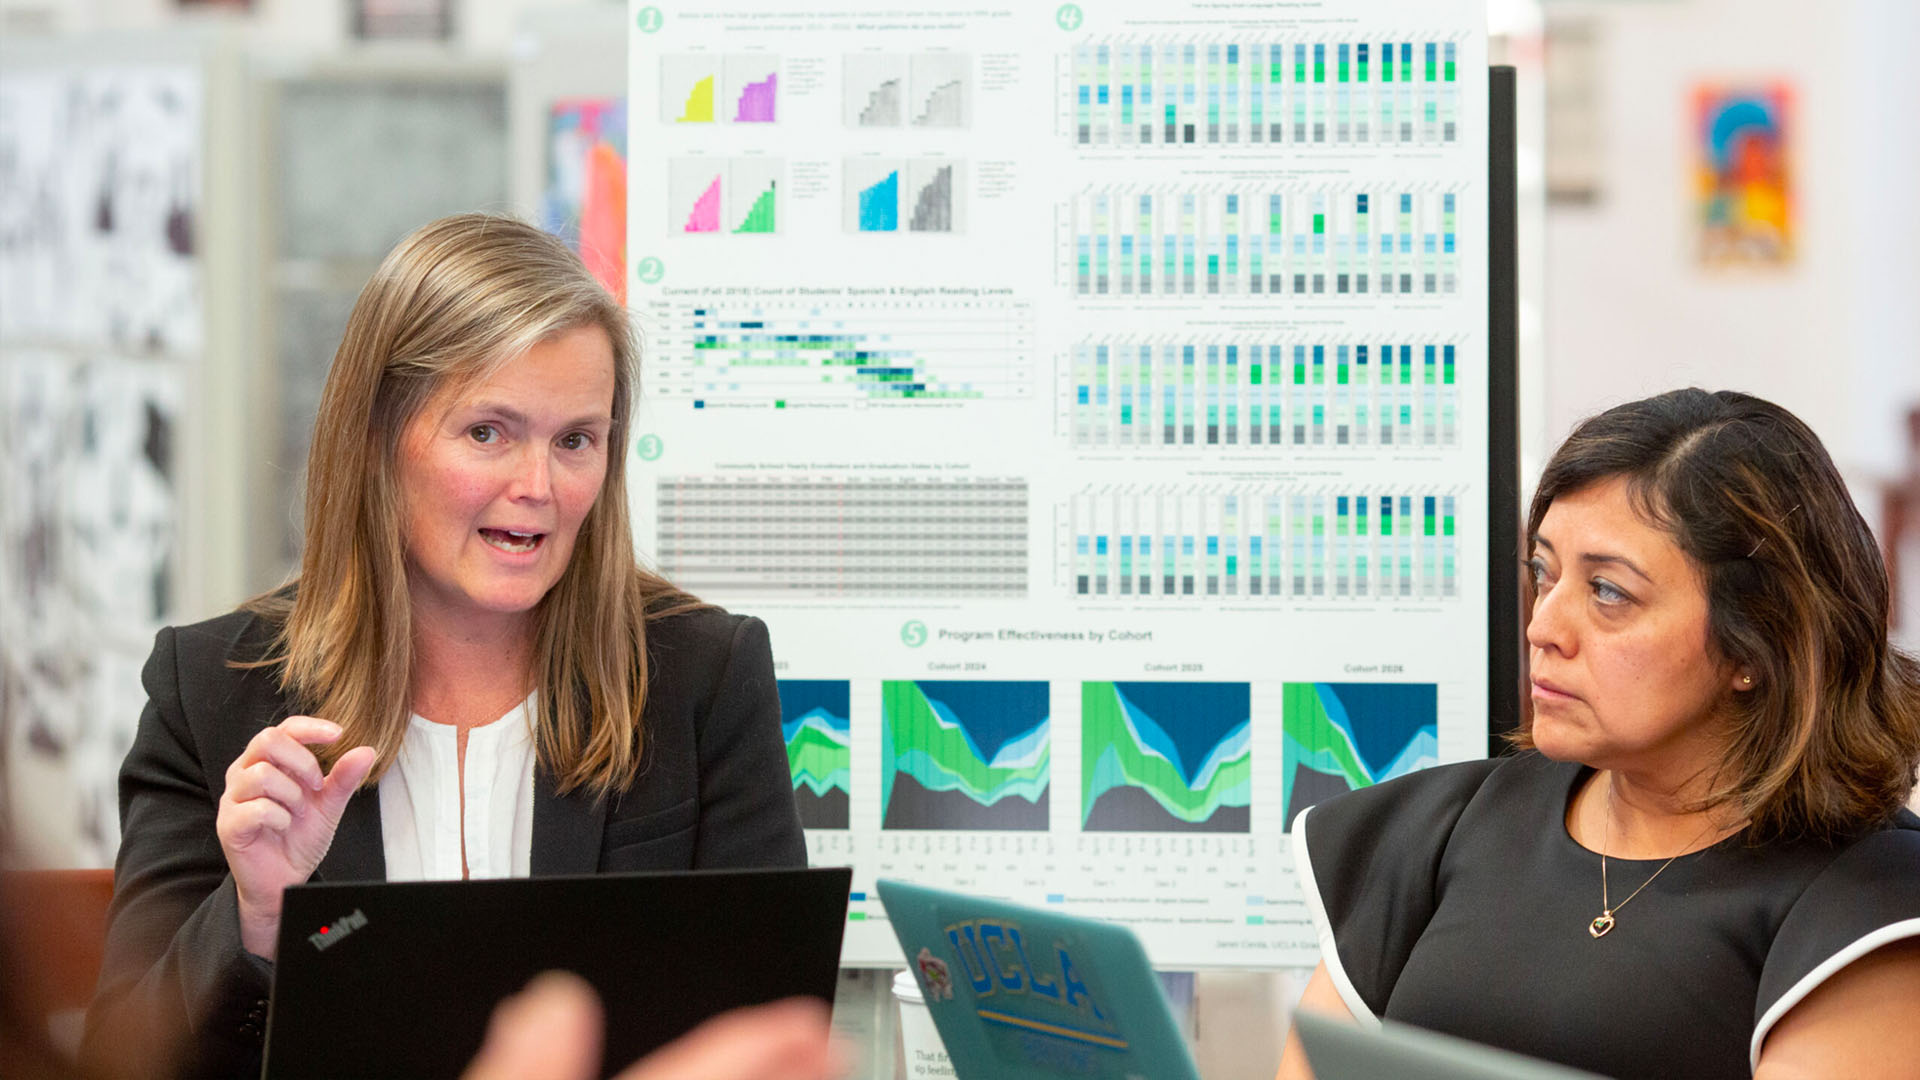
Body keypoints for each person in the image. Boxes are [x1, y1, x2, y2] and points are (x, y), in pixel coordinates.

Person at [80, 214, 806, 1079]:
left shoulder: (701, 675)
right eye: (488, 432)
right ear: (380, 438)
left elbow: (772, 1034)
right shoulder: (211, 691)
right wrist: (259, 914)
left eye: (575, 440)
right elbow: (120, 1060)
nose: (537, 487)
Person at [1278, 389, 1920, 1080]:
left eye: (1609, 592)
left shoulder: (1866, 904)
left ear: (1754, 645)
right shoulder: (1442, 824)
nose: (1543, 628)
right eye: (1543, 574)